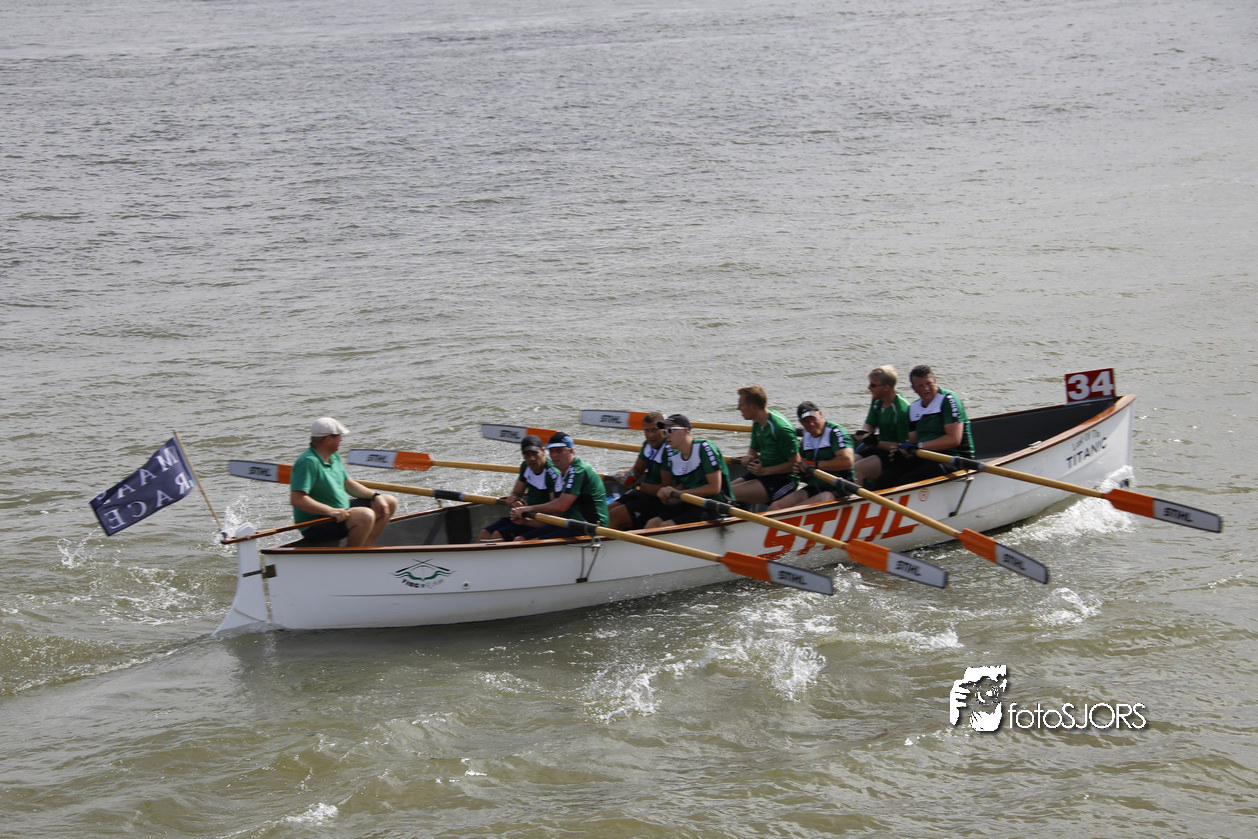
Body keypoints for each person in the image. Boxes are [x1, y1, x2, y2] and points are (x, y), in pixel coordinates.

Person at [290, 417, 399, 546]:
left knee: (389, 502)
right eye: (339, 436)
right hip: (316, 522)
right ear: (329, 439)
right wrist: (331, 511)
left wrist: (375, 496)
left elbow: (349, 484)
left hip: (341, 512)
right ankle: (352, 555)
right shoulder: (307, 462)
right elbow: (297, 499)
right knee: (366, 515)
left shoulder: (333, 456)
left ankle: (366, 547)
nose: (341, 439)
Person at [874, 365, 975, 489]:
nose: (926, 389)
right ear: (913, 388)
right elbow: (913, 441)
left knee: (906, 481)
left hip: (955, 460)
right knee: (886, 477)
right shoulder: (913, 408)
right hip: (927, 457)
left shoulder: (948, 399)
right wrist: (902, 451)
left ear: (935, 382)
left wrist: (919, 447)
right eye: (920, 386)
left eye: (929, 384)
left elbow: (953, 439)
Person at [509, 432, 609, 540]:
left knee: (530, 543)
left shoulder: (578, 470)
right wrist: (525, 521)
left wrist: (529, 508)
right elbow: (557, 511)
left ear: (571, 451)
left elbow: (561, 505)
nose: (554, 455)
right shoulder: (561, 474)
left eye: (559, 450)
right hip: (569, 523)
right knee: (520, 540)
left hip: (590, 527)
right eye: (551, 451)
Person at [647, 415, 733, 528]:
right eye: (664, 432)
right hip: (691, 503)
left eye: (670, 431)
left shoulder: (705, 448)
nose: (666, 435)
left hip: (717, 506)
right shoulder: (674, 457)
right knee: (652, 523)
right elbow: (681, 490)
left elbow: (714, 488)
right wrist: (667, 497)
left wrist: (680, 493)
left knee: (666, 525)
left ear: (685, 431)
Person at [768, 401, 856, 510]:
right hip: (815, 486)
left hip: (840, 487)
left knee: (797, 510)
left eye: (813, 419)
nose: (811, 424)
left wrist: (815, 465)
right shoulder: (806, 437)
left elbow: (847, 462)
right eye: (806, 421)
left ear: (820, 414)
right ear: (801, 423)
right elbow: (803, 462)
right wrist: (801, 470)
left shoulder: (835, 432)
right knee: (776, 506)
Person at [476, 435, 562, 541]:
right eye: (527, 455)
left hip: (545, 520)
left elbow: (556, 511)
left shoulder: (552, 474)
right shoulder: (526, 467)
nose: (531, 459)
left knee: (498, 536)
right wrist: (515, 500)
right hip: (528, 515)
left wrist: (527, 512)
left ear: (543, 451)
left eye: (535, 453)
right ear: (523, 456)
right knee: (485, 533)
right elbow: (517, 493)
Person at [730, 385, 801, 507]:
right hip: (762, 472)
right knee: (723, 489)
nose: (738, 408)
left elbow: (796, 463)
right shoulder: (757, 421)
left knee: (729, 493)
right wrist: (749, 455)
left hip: (782, 479)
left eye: (741, 405)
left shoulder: (781, 429)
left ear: (754, 407)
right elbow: (754, 448)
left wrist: (765, 471)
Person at [607, 412, 669, 530]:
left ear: (664, 429)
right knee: (606, 511)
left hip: (660, 498)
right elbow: (637, 469)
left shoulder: (669, 449)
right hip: (644, 491)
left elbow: (665, 488)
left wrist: (635, 484)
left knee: (613, 517)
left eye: (654, 430)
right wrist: (628, 475)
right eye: (646, 431)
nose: (650, 435)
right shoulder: (648, 444)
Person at [852, 365, 912, 486]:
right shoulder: (877, 399)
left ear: (886, 387)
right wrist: (864, 432)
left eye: (873, 385)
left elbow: (902, 446)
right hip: (879, 447)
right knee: (848, 463)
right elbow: (870, 423)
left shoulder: (902, 410)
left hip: (895, 455)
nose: (869, 388)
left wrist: (875, 442)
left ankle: (857, 497)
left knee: (857, 469)